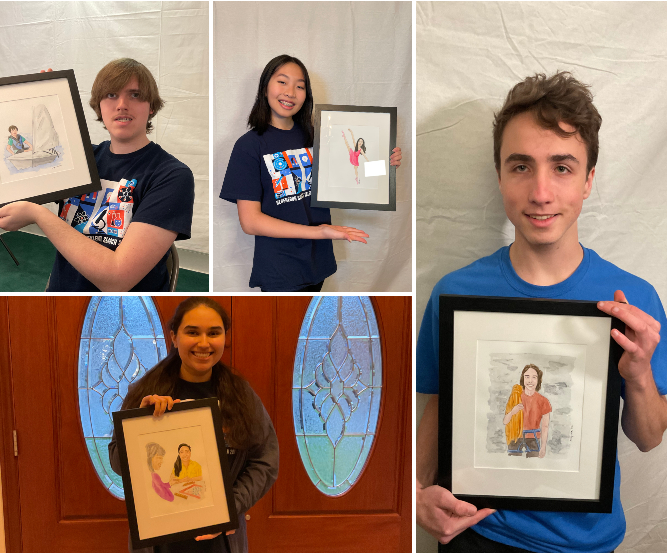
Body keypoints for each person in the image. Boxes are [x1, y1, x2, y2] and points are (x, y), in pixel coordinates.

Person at [416, 72, 667, 552]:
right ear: (499, 175)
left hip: (584, 544)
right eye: (521, 166)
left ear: (589, 179)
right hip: (478, 534)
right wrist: (416, 496)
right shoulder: (456, 292)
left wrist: (636, 375)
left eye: (563, 167)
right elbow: (439, 404)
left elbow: (649, 439)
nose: (541, 192)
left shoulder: (633, 300)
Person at [0, 58, 195, 292]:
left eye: (135, 95)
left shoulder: (172, 176)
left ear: (151, 106)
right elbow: (14, 177)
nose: (121, 104)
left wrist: (37, 214)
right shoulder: (80, 158)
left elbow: (117, 279)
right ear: (98, 105)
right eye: (111, 95)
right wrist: (42, 97)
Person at [219, 54, 402, 292]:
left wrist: (384, 165)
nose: (291, 92)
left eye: (300, 86)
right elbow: (250, 222)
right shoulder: (249, 146)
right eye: (282, 82)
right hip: (280, 266)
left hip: (318, 261)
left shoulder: (319, 137)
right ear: (265, 88)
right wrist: (318, 231)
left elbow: (350, 174)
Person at [108, 297, 279, 552]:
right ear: (174, 337)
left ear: (224, 338)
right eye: (192, 332)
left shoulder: (241, 396)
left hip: (221, 542)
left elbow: (266, 460)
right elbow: (118, 464)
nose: (203, 343)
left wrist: (230, 507)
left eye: (214, 333)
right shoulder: (145, 393)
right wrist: (138, 426)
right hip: (160, 542)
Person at [502, 365, 551, 458]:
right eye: (527, 376)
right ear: (522, 378)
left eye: (534, 377)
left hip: (533, 439)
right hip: (515, 438)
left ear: (538, 380)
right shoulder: (515, 397)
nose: (530, 381)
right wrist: (513, 411)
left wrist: (543, 447)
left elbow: (545, 426)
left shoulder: (544, 401)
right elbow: (505, 421)